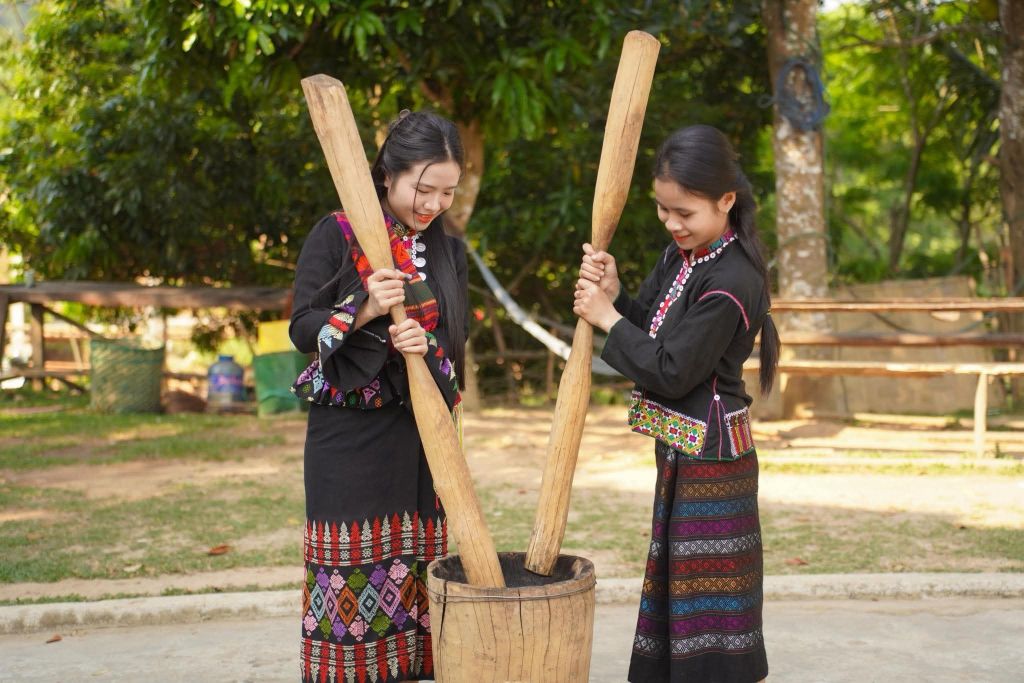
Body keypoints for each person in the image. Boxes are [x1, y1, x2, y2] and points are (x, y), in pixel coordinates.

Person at [573, 124, 778, 683]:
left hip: (714, 459)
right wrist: (617, 299)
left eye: (684, 212)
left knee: (709, 593)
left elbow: (671, 368)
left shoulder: (733, 279)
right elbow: (659, 336)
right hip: (684, 450)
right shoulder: (686, 255)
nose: (672, 222)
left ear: (726, 201)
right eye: (664, 210)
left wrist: (606, 318)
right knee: (683, 587)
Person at [289, 110, 468, 683]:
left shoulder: (448, 251)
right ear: (388, 174)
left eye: (447, 192)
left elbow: (453, 357)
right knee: (353, 583)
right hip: (348, 443)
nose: (433, 203)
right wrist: (363, 307)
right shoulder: (337, 233)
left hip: (422, 441)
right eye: (423, 187)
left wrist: (424, 343)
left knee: (422, 580)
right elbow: (301, 329)